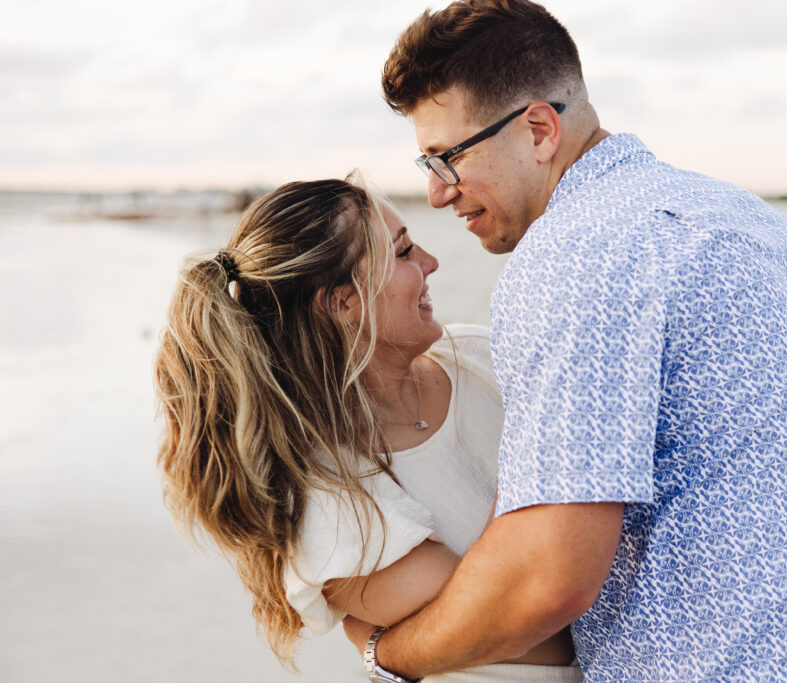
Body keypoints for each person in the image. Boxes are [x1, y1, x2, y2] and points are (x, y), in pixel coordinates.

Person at [342, 1, 787, 681]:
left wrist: (390, 653)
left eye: (447, 159)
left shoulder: (571, 257)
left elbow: (547, 578)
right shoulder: (753, 220)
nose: (439, 194)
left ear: (537, 130)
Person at [154, 177, 583, 682]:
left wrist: (380, 646)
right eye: (403, 252)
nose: (430, 261)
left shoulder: (479, 356)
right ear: (341, 303)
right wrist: (544, 417)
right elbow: (528, 625)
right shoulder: (328, 500)